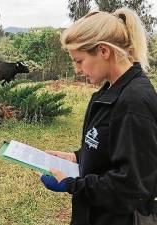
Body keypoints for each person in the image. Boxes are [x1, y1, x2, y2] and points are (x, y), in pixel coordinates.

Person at [39, 7, 157, 225]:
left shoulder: (134, 101)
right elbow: (112, 150)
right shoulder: (109, 91)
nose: (76, 69)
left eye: (79, 60)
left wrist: (72, 184)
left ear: (104, 51)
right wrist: (78, 157)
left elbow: (133, 186)